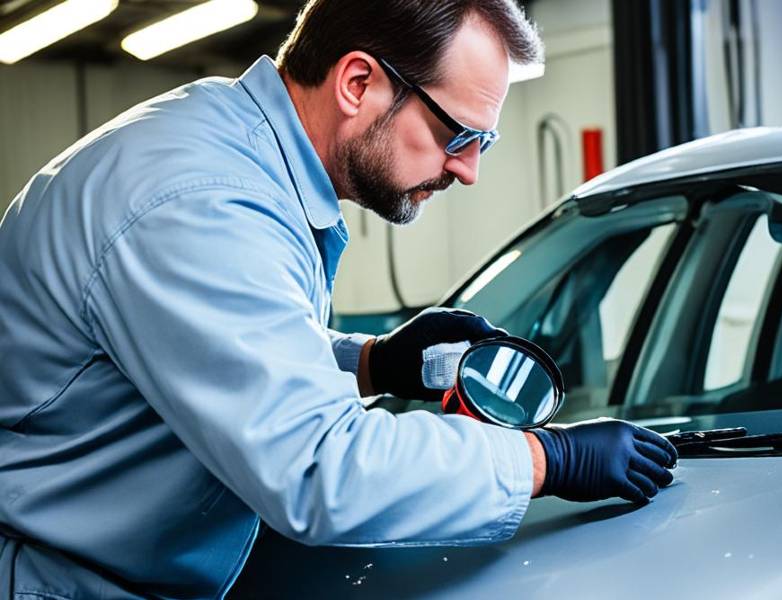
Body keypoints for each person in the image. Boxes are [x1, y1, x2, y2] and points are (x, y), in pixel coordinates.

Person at [0, 0, 677, 597]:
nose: (468, 169)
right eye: (458, 134)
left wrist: (373, 363)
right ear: (359, 82)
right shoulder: (200, 202)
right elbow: (324, 471)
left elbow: (206, 344)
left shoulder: (231, 146)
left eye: (483, 143)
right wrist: (546, 459)